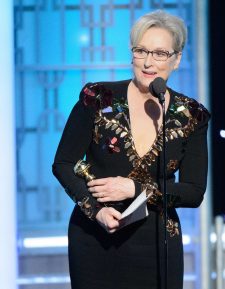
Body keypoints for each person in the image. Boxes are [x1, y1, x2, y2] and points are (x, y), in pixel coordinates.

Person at [52, 9, 210, 289]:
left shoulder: (191, 116)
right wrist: (95, 209)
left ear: (176, 59)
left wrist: (136, 189)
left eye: (160, 53)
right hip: (94, 237)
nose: (149, 62)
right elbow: (63, 163)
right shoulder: (98, 98)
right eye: (141, 51)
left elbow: (193, 191)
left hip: (157, 242)